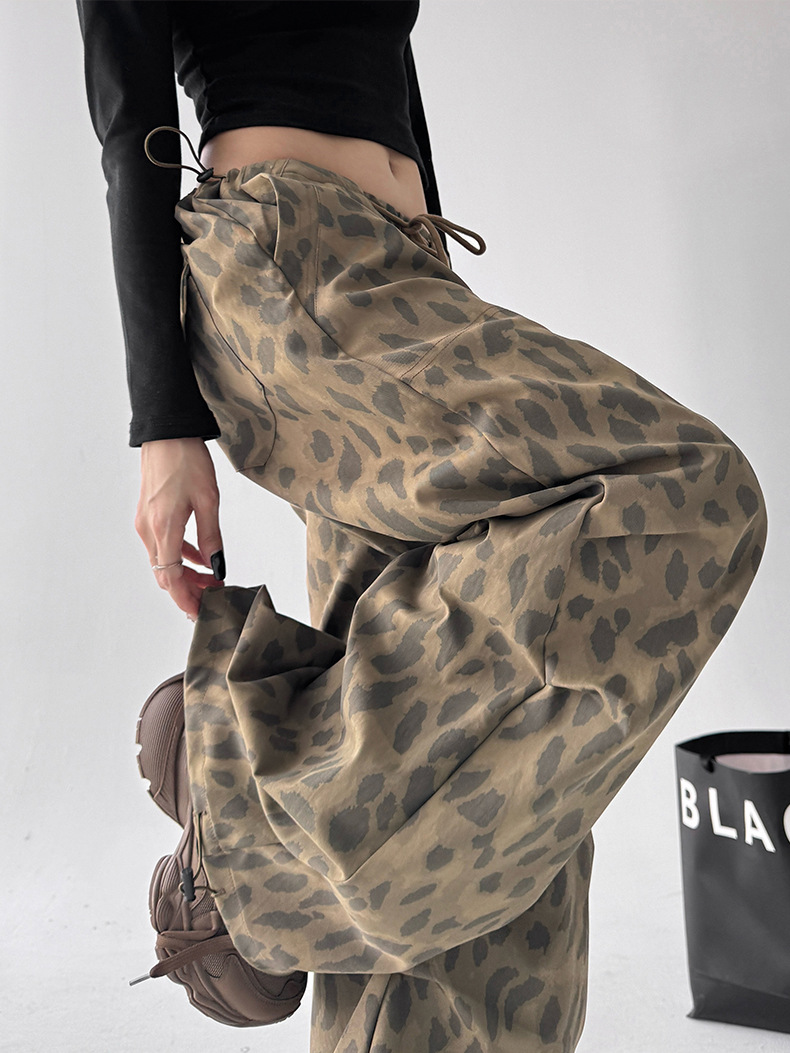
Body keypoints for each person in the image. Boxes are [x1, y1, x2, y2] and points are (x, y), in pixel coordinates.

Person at [77, 2, 767, 1051]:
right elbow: (129, 121)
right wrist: (163, 430)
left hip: (399, 278)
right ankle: (250, 824)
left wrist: (437, 283)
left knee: (505, 778)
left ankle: (266, 843)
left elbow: (383, 72)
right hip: (293, 262)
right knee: (688, 490)